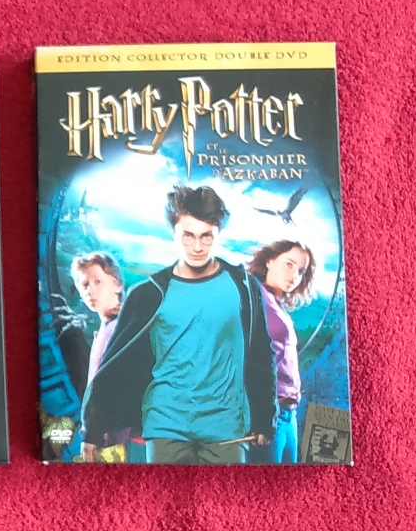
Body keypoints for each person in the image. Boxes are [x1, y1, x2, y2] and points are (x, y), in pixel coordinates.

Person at [81, 185, 276, 465]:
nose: (197, 247)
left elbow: (260, 353)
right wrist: (94, 429)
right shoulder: (149, 293)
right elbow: (116, 364)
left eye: (206, 236)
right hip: (165, 425)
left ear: (218, 233)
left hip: (227, 428)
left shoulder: (243, 286)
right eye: (188, 235)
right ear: (173, 233)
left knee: (226, 495)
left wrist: (264, 417)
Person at [247, 239, 316, 464]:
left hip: (289, 412)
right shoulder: (254, 297)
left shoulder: (276, 304)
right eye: (289, 264)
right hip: (268, 411)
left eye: (301, 270)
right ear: (270, 261)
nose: (294, 275)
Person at [71, 252, 144, 462]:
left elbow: (113, 387)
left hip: (123, 439)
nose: (90, 290)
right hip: (112, 436)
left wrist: (93, 433)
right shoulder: (107, 327)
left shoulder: (121, 330)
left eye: (98, 282)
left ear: (117, 285)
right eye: (84, 284)